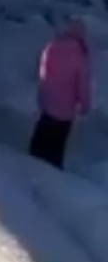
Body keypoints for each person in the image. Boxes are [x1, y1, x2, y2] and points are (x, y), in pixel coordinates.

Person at [32, 21, 92, 169]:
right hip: (66, 113)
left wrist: (42, 100)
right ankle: (54, 175)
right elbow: (83, 86)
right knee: (57, 147)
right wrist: (85, 107)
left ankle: (31, 169)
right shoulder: (81, 56)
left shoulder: (50, 48)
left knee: (39, 143)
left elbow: (43, 77)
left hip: (48, 107)